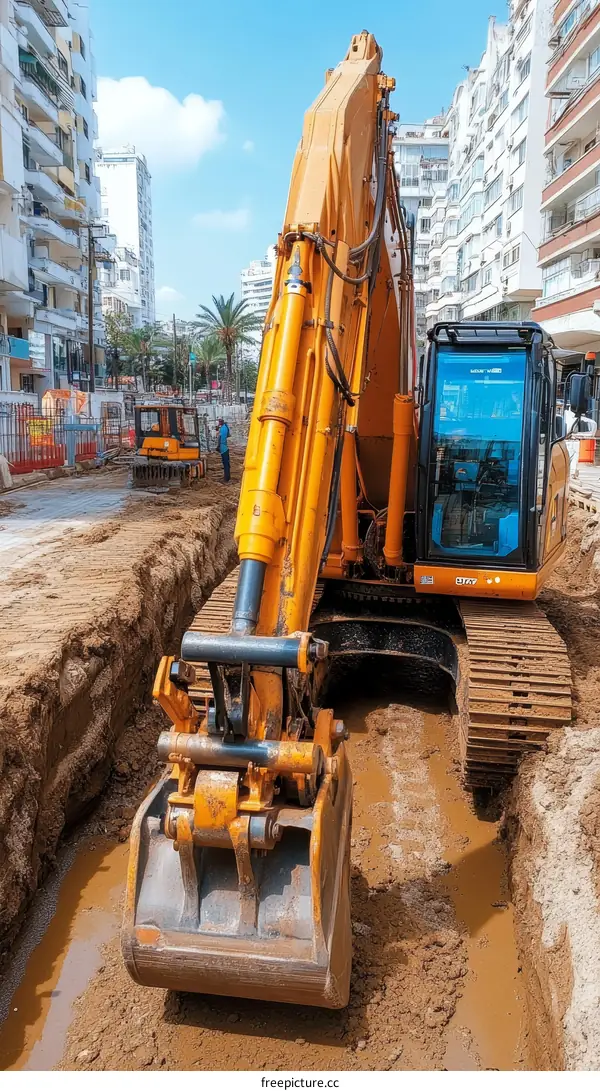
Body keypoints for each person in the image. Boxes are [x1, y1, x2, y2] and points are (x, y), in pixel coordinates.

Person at [564, 407, 597, 479]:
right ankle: (571, 474)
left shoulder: (569, 417)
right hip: (571, 440)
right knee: (572, 459)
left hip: (570, 439)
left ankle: (571, 474)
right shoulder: (570, 417)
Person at [217, 417, 231, 483]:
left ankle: (226, 478)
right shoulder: (225, 427)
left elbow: (220, 438)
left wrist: (218, 446)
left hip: (223, 448)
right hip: (225, 448)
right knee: (226, 464)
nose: (219, 423)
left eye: (219, 421)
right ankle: (227, 477)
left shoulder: (223, 428)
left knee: (225, 464)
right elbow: (228, 435)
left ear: (221, 422)